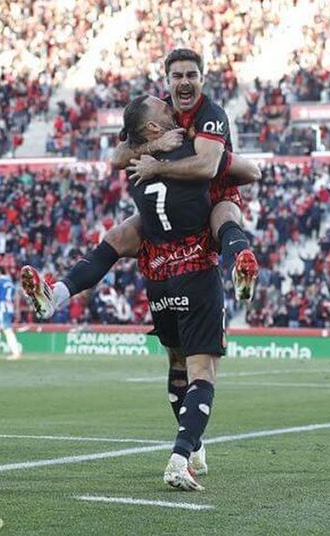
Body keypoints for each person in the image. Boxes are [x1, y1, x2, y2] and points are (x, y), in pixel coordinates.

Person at [21, 48, 261, 320]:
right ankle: (56, 295)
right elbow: (118, 157)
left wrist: (158, 165)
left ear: (202, 79)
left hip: (213, 196)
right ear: (167, 80)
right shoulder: (157, 112)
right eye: (177, 76)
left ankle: (241, 270)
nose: (184, 82)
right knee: (117, 237)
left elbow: (211, 167)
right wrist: (157, 145)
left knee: (225, 214)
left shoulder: (211, 114)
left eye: (191, 75)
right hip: (177, 204)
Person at [118, 94, 227, 491]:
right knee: (203, 372)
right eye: (162, 100)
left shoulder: (196, 119)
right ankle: (181, 455)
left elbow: (118, 158)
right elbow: (237, 169)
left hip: (157, 273)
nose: (169, 101)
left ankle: (193, 446)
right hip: (195, 266)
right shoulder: (191, 124)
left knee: (178, 363)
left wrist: (151, 157)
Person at [0, 266, 22, 360]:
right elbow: (16, 296)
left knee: (7, 330)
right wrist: (17, 309)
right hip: (9, 307)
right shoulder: (10, 282)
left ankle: (16, 353)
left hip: (2, 308)